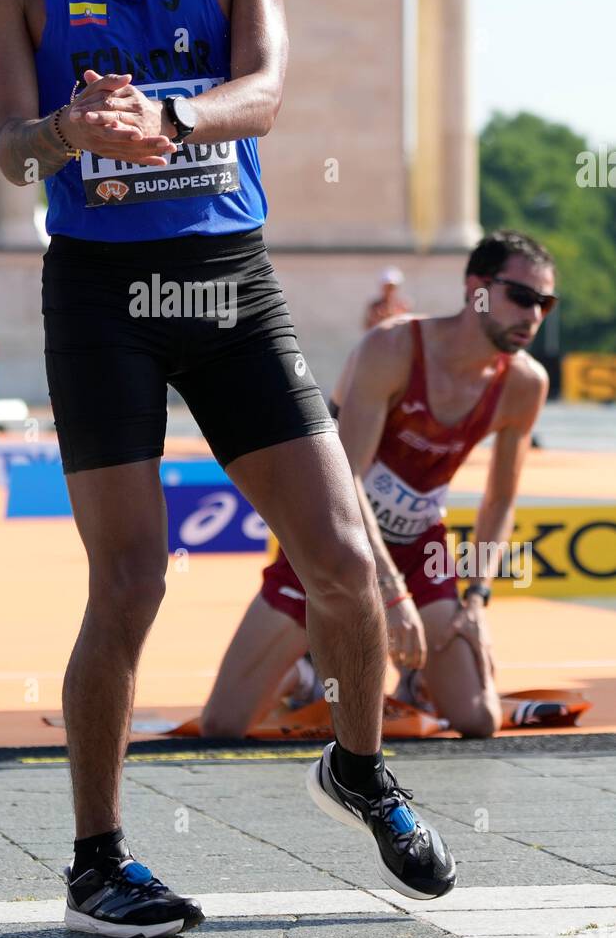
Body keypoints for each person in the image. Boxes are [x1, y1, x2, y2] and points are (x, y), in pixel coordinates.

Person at [0, 0, 455, 938]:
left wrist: (170, 119)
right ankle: (94, 863)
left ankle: (355, 766)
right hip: (98, 292)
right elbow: (8, 147)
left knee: (341, 562)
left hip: (225, 277)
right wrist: (71, 133)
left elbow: (267, 93)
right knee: (128, 578)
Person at [201, 230, 555, 742]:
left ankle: (411, 679)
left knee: (479, 718)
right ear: (476, 287)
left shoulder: (525, 383)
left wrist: (477, 599)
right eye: (522, 297)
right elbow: (346, 478)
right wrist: (390, 595)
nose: (534, 315)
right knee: (222, 726)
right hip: (331, 541)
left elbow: (500, 499)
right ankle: (307, 673)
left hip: (417, 547)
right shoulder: (390, 348)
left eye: (546, 302)